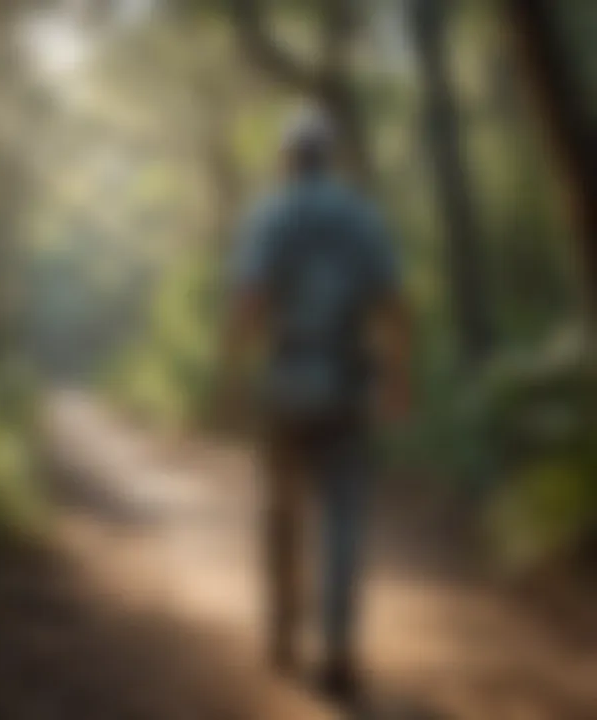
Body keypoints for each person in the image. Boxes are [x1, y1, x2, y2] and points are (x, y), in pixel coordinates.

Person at [216, 106, 411, 709]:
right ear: (329, 155)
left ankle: (281, 634)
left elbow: (249, 301)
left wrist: (229, 372)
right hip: (348, 385)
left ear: (286, 157)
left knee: (281, 512)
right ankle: (338, 650)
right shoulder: (362, 217)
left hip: (284, 384)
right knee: (344, 519)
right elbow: (394, 306)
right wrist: (398, 380)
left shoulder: (268, 215)